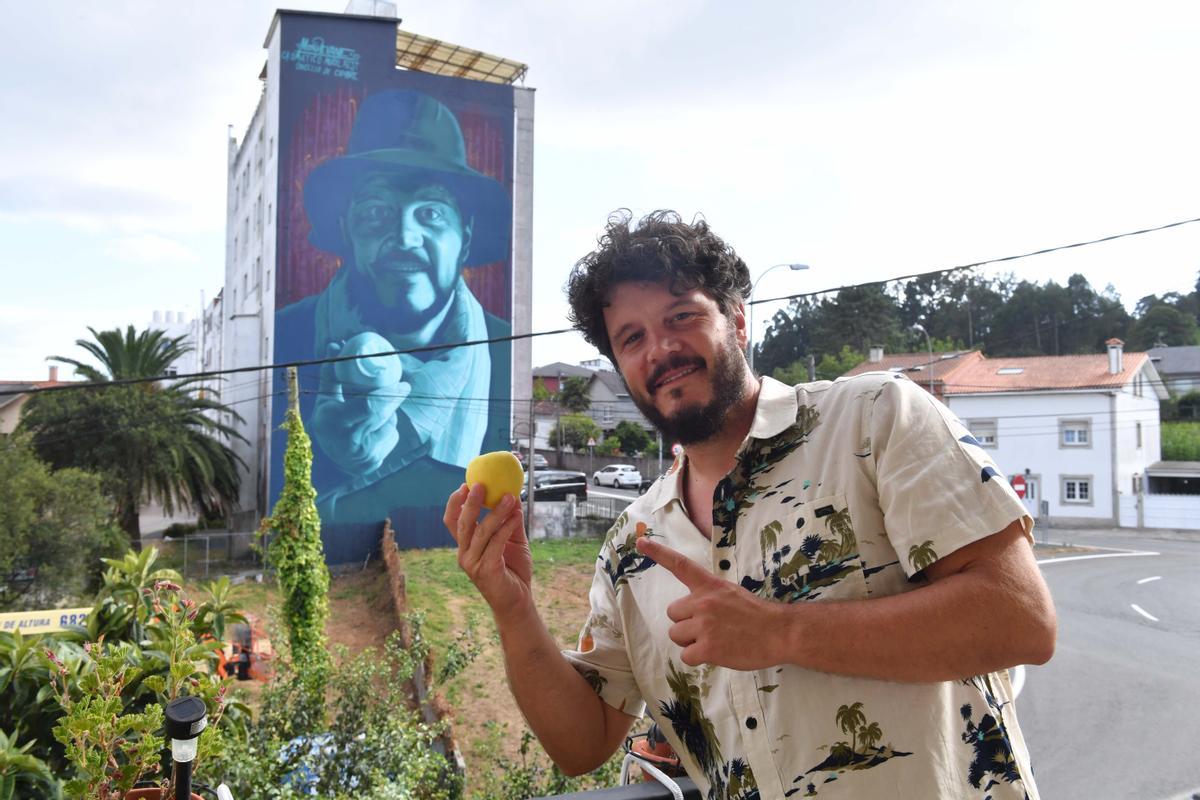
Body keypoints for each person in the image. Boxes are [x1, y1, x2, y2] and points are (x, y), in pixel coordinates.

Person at [443, 211, 1056, 799]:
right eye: (632, 339)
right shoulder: (632, 547)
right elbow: (581, 745)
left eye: (681, 316)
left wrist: (781, 632)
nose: (659, 349)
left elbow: (1020, 620)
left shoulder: (874, 420)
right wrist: (513, 607)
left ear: (737, 321)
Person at [275, 89, 511, 526]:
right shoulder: (288, 336)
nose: (405, 238)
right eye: (377, 212)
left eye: (432, 214)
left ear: (467, 237)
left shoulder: (506, 348)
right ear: (347, 230)